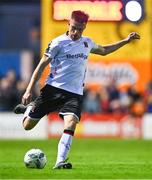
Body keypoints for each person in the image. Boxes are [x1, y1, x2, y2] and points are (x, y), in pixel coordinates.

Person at [14, 10, 140, 169]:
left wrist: (125, 41)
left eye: (80, 29)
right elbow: (40, 67)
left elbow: (105, 51)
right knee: (27, 126)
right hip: (53, 90)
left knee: (71, 122)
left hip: (74, 94)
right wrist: (28, 90)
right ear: (68, 23)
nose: (76, 32)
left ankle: (60, 161)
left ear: (84, 27)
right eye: (73, 28)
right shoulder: (57, 43)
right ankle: (30, 108)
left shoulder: (87, 43)